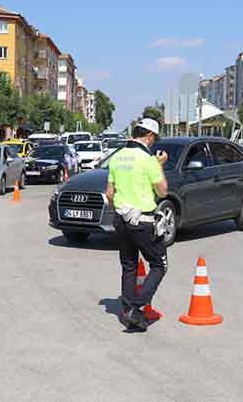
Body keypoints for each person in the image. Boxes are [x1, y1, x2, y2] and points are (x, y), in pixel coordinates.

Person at [106, 118, 168, 332]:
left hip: (121, 220)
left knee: (129, 265)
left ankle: (126, 311)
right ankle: (137, 306)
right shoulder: (148, 159)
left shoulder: (117, 157)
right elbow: (162, 191)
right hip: (142, 221)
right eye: (154, 139)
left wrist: (120, 210)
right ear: (149, 136)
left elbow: (109, 194)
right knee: (159, 264)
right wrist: (159, 166)